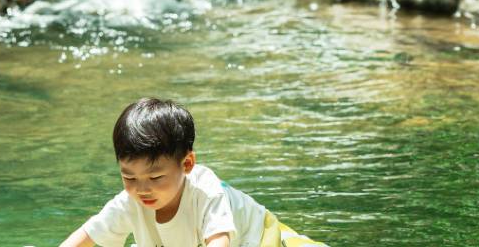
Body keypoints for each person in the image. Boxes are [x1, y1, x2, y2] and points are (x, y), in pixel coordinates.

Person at [59, 97, 327, 247]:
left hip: (258, 239)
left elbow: (219, 241)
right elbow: (88, 235)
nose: (142, 188)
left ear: (187, 164)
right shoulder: (132, 200)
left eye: (155, 177)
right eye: (129, 177)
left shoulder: (205, 190)